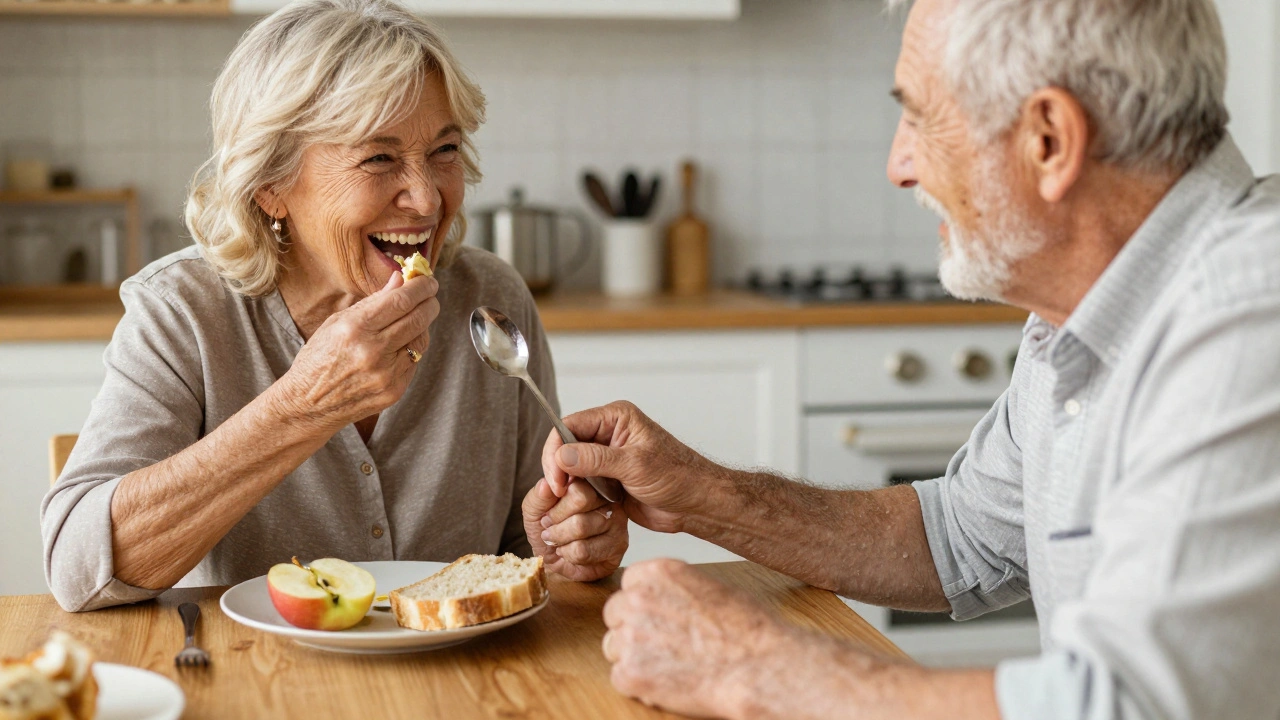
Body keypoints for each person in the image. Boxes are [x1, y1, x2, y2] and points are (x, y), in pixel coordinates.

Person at [530, 0, 1280, 717]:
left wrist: (750, 666)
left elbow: (1127, 709)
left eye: (921, 119)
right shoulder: (1084, 312)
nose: (899, 165)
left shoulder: (1250, 317)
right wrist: (698, 492)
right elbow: (956, 537)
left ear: (1049, 139)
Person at [41, 0, 625, 613]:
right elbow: (79, 572)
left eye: (444, 151)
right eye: (379, 158)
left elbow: (529, 545)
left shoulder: (491, 301)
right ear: (270, 184)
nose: (427, 199)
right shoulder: (182, 311)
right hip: (254, 681)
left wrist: (569, 545)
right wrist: (302, 408)